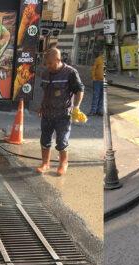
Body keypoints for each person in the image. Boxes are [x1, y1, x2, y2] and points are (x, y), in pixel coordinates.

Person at [36, 48, 87, 176]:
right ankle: (45, 163)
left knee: (61, 141)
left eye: (50, 63)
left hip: (63, 114)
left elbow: (79, 90)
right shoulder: (46, 73)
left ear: (58, 60)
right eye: (46, 64)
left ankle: (63, 163)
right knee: (44, 139)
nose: (48, 66)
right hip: (47, 113)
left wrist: (76, 107)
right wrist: (42, 106)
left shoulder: (70, 72)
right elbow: (45, 92)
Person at [88, 52, 104, 116]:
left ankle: (99, 111)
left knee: (102, 97)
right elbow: (93, 69)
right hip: (97, 80)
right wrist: (93, 77)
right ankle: (93, 111)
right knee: (96, 96)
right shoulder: (98, 59)